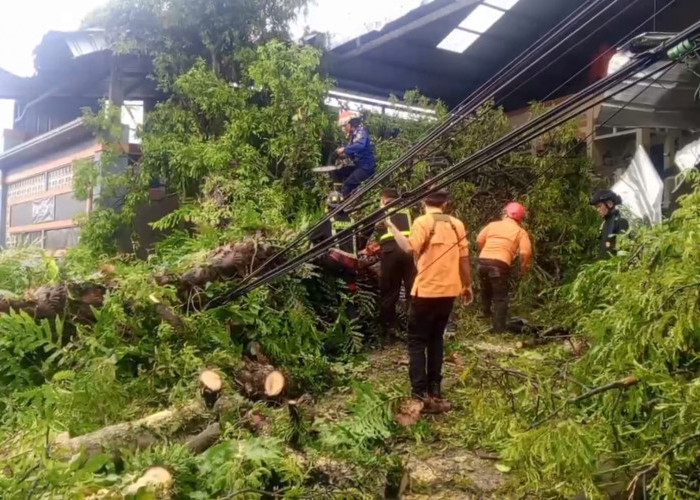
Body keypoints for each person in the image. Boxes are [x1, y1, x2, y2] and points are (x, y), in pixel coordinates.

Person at [386, 188, 473, 413]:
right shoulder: (457, 225)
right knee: (436, 339)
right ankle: (435, 390)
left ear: (424, 203)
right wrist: (467, 285)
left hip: (424, 293)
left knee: (416, 341)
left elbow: (408, 247)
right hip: (449, 293)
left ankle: (419, 393)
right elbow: (464, 260)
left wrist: (391, 227)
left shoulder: (422, 222)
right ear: (445, 204)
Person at [476, 202, 533, 333]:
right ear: (521, 218)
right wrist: (524, 268)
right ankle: (498, 330)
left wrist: (484, 253)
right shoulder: (520, 231)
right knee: (500, 297)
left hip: (482, 262)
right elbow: (526, 252)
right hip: (500, 264)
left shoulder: (492, 225)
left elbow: (479, 239)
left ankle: (484, 314)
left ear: (505, 213)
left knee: (485, 288)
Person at [367, 188, 416, 339]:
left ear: (383, 198)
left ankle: (389, 330)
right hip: (408, 252)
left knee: (389, 292)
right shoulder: (407, 210)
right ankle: (413, 328)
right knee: (412, 291)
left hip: (390, 252)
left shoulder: (383, 211)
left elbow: (371, 229)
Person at [332, 114, 377, 198]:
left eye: (345, 126)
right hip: (358, 165)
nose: (344, 128)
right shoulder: (352, 136)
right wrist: (342, 155)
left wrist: (344, 149)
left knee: (347, 184)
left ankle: (343, 207)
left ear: (351, 124)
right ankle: (338, 194)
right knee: (337, 171)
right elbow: (352, 152)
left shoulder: (361, 132)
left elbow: (360, 146)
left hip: (366, 167)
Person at [590, 190, 629, 258]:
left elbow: (622, 251)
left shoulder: (621, 222)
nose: (597, 210)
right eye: (596, 208)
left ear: (609, 203)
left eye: (599, 206)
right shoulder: (604, 224)